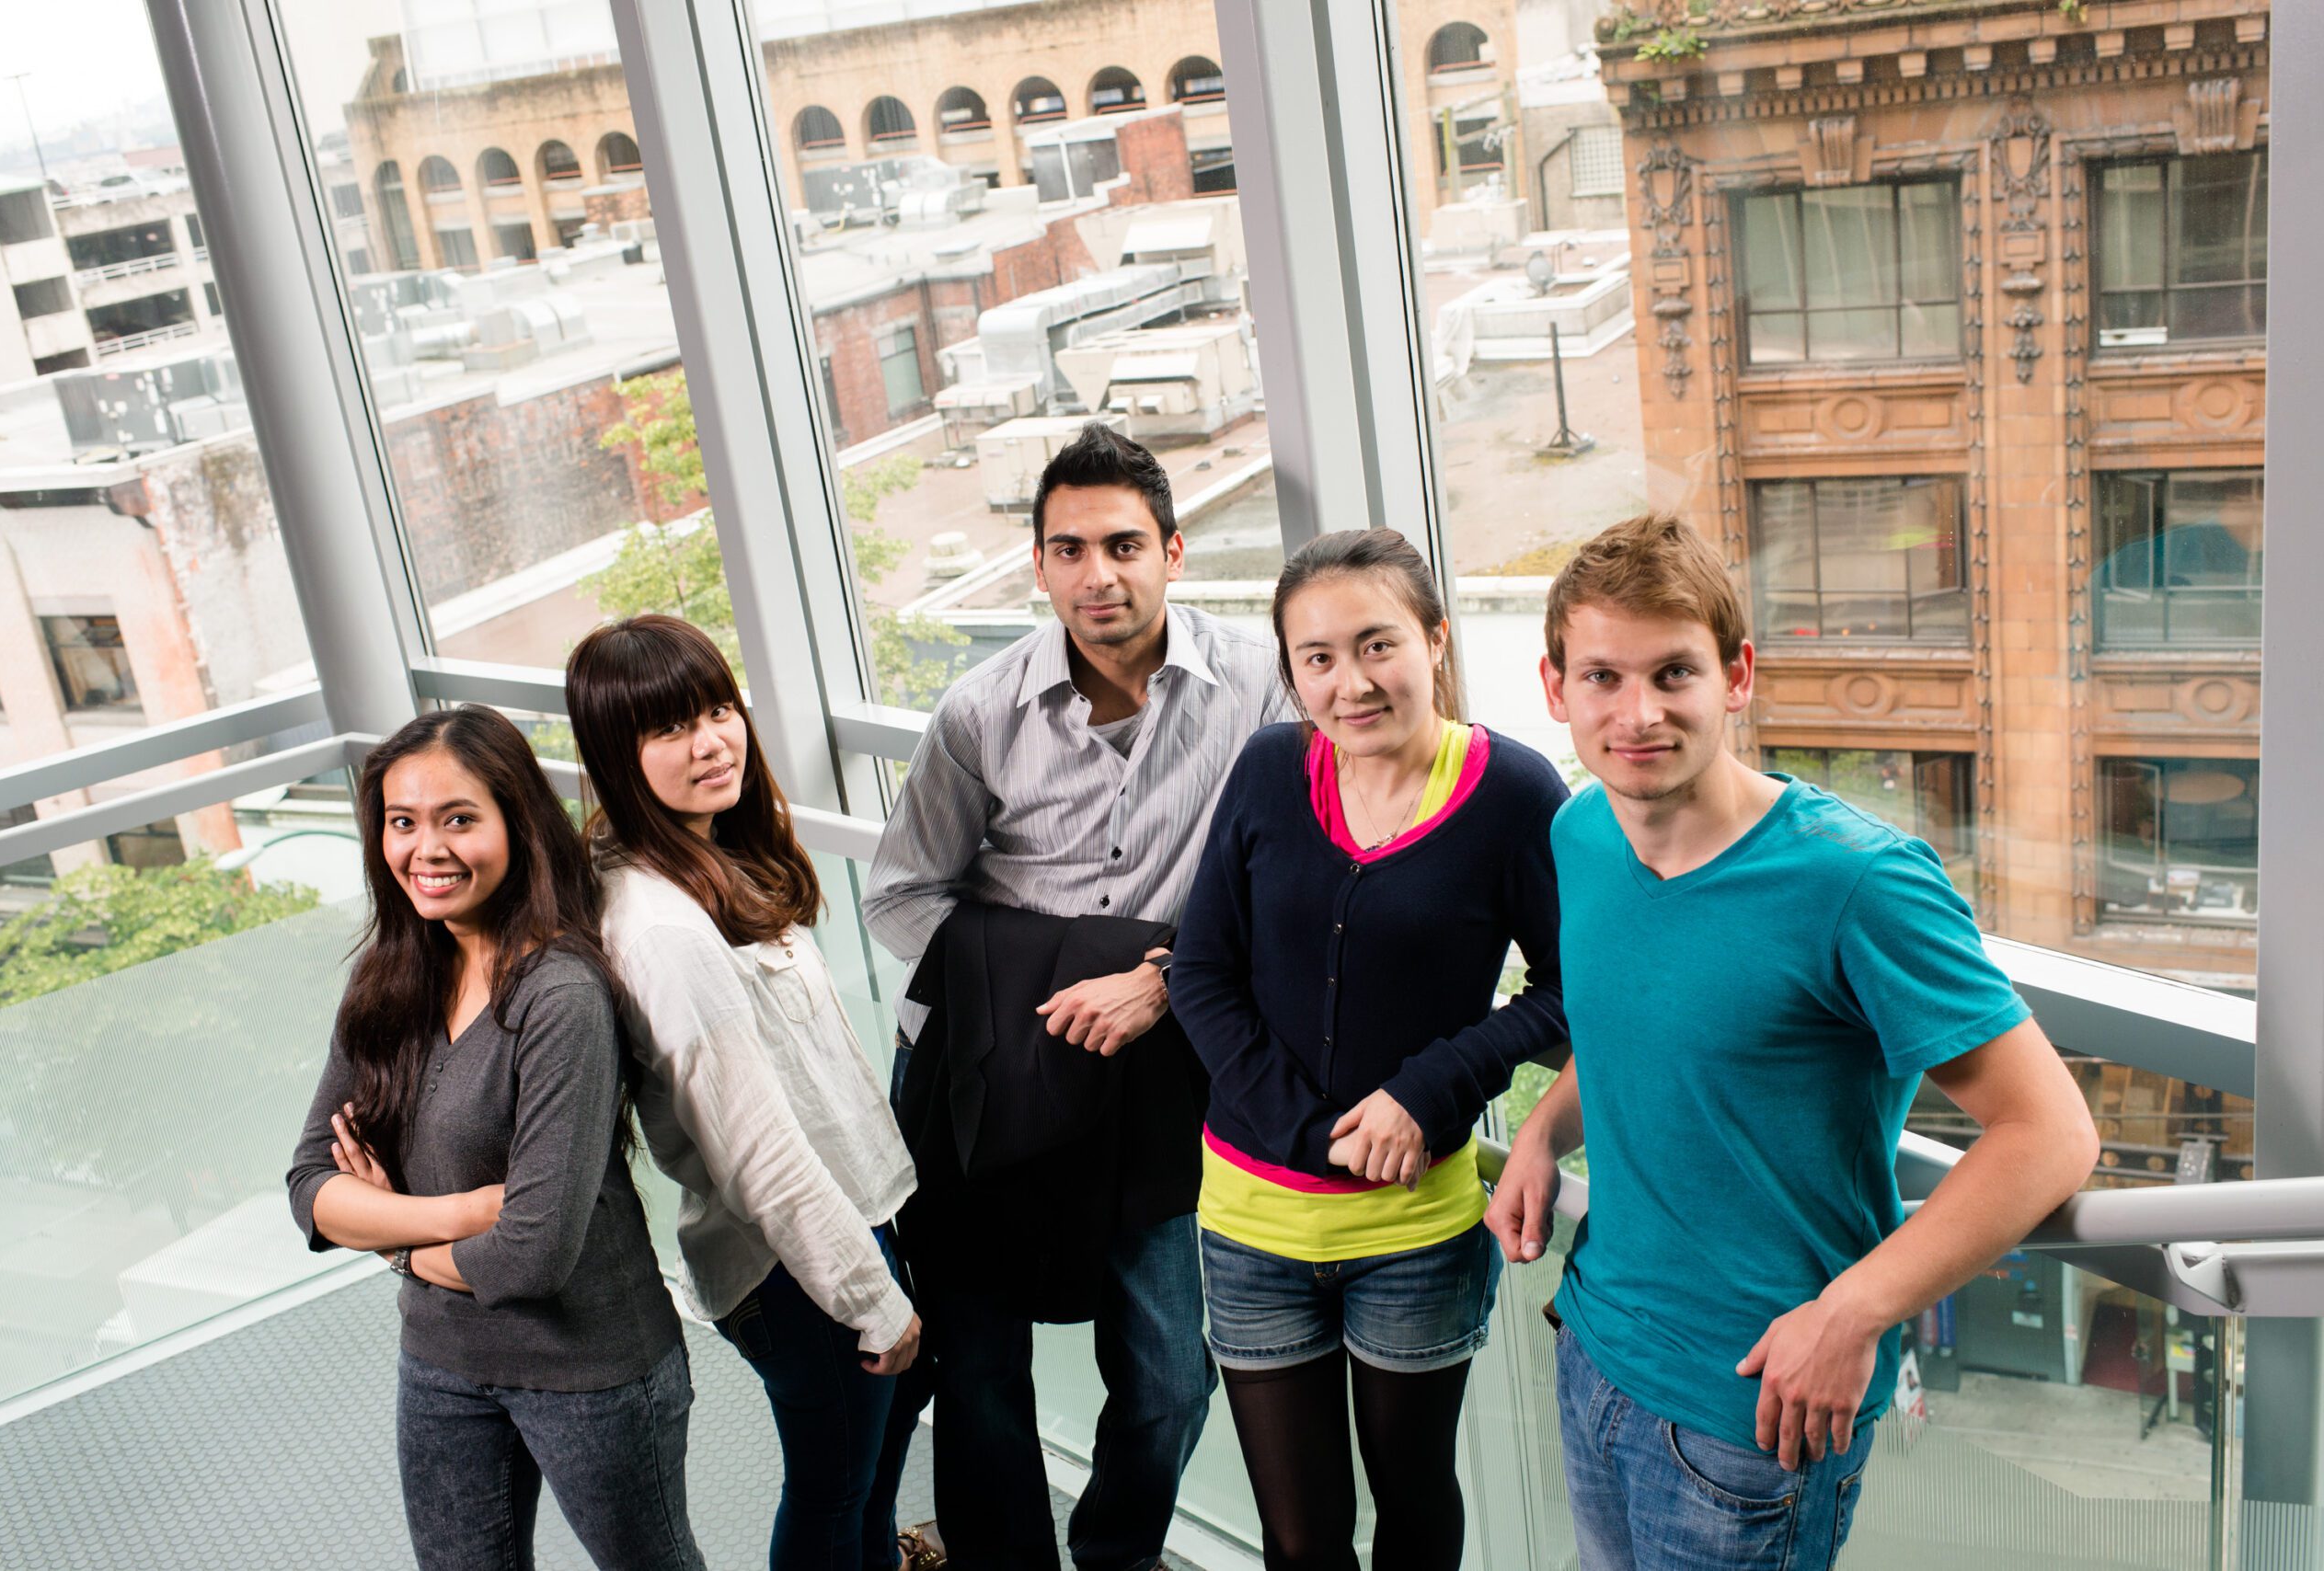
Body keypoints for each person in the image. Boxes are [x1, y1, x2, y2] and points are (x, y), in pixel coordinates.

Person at [1487, 514, 2101, 1570]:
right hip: (1592, 1344)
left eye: (1672, 672)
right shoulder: (1579, 829)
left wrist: (1852, 1311)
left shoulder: (1857, 882)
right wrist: (1545, 1128)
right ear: (1555, 689)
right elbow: (1632, 1023)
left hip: (1753, 1412)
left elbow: (2047, 1133)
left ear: (1736, 675)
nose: (1637, 713)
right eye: (1602, 678)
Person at [862, 421, 1292, 1571]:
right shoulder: (977, 712)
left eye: (1122, 544)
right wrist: (1019, 994)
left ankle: (1116, 1554)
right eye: (1068, 549)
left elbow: (1287, 887)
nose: (1097, 574)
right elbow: (903, 896)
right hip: (993, 1075)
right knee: (982, 1358)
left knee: (1165, 1366)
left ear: (1173, 552)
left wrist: (1159, 979)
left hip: (1158, 1070)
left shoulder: (1262, 688)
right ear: (1038, 566)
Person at [1167, 528, 1570, 1569]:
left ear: (1435, 639)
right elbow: (1203, 973)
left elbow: (1569, 994)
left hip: (1415, 1227)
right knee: (1299, 1541)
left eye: (1377, 644)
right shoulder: (1265, 771)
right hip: (1252, 1223)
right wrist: (1310, 1138)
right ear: (1291, 671)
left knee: (1415, 1512)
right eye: (1317, 658)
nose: (1351, 682)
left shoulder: (1514, 793)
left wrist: (1431, 1088)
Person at [286, 706, 700, 1571]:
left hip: (592, 1367)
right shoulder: (389, 978)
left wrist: (389, 1227)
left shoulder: (561, 995)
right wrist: (463, 1211)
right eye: (404, 822)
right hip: (440, 1359)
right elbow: (308, 1188)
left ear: (519, 823)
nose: (425, 850)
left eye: (459, 819)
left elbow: (530, 1258)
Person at [564, 614, 924, 1571]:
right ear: (614, 753)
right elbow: (753, 1144)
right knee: (831, 1490)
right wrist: (866, 1296)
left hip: (851, 1217)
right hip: (792, 1264)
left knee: (867, 1476)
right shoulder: (659, 926)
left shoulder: (712, 857)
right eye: (670, 728)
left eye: (717, 708)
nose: (712, 741)